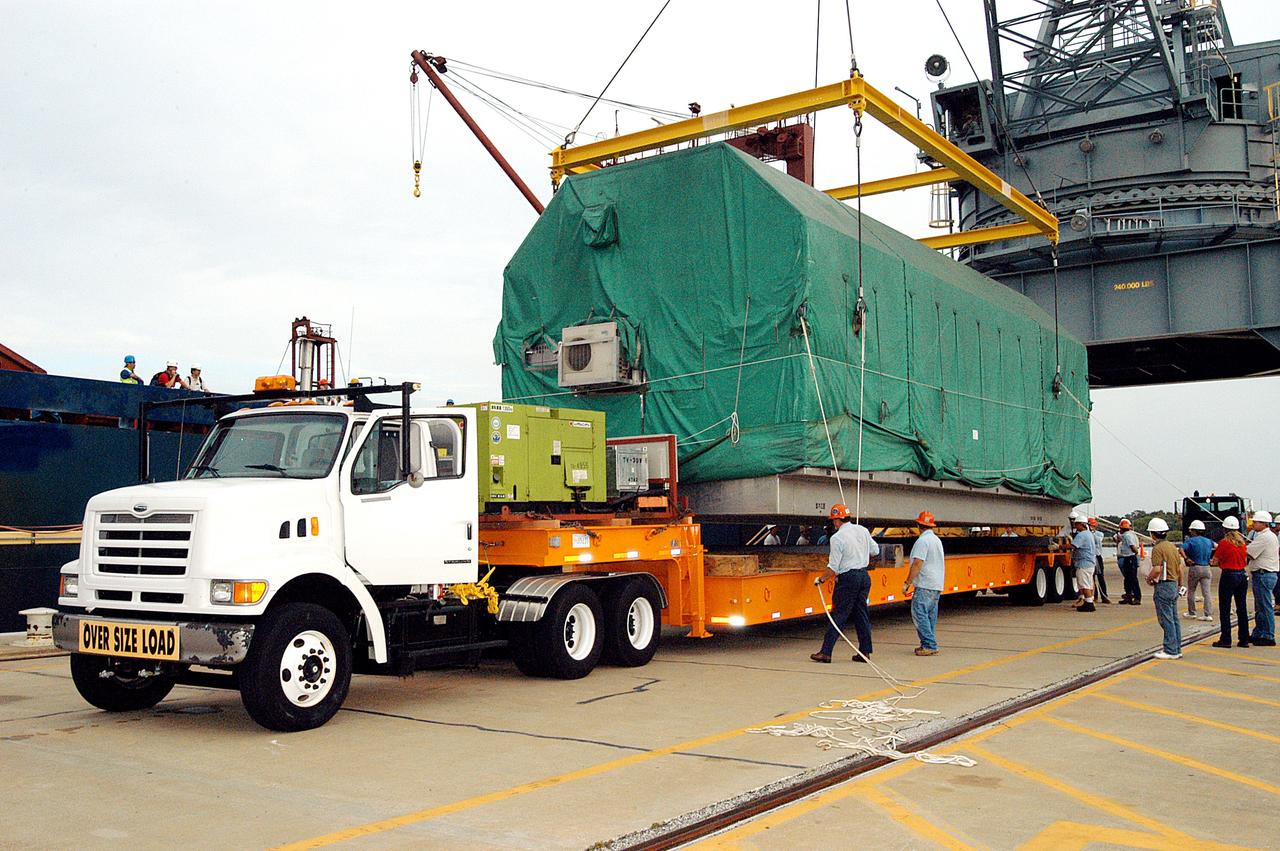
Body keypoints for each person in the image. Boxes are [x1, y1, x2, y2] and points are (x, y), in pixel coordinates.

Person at [811, 503, 879, 664]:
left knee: (839, 615)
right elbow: (875, 550)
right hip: (864, 576)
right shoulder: (862, 530)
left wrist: (821, 579)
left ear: (836, 520)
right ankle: (864, 652)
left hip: (848, 579)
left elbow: (833, 567)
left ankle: (826, 652)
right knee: (861, 614)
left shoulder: (837, 538)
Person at [905, 511, 945, 656]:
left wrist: (907, 582)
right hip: (936, 584)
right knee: (929, 616)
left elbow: (917, 563)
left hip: (925, 583)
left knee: (919, 613)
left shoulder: (922, 541)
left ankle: (929, 644)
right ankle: (927, 643)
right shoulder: (936, 540)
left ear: (918, 525)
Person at [1146, 517, 1185, 660]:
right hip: (1174, 584)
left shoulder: (1157, 548)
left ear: (1153, 534)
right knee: (1174, 619)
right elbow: (1180, 567)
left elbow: (1156, 569)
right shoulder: (1172, 547)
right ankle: (1177, 648)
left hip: (1164, 585)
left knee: (1166, 619)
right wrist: (1181, 584)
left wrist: (1149, 578)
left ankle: (1170, 650)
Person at [1211, 515, 1250, 648]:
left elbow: (1215, 561)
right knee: (1242, 607)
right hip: (1241, 574)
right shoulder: (1242, 544)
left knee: (1225, 607)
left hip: (1229, 574)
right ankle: (1244, 638)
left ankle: (1226, 638)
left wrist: (1217, 562)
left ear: (1225, 529)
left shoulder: (1224, 543)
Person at [1246, 510, 1279, 646]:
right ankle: (1259, 632)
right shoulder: (1267, 536)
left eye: (1255, 522)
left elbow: (1249, 553)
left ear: (1263, 524)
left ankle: (1268, 635)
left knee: (1265, 607)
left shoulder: (1264, 537)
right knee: (1260, 607)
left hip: (1264, 574)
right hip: (1264, 574)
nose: (1253, 524)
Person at [1181, 519, 1214, 622]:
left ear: (1193, 531)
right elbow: (1217, 546)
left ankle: (1192, 612)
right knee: (1207, 592)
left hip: (1195, 567)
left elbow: (1181, 549)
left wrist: (1186, 558)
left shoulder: (1191, 541)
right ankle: (1208, 614)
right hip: (1207, 567)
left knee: (1191, 590)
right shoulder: (1208, 541)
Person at [1069, 513, 1097, 612]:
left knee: (1084, 584)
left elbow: (1073, 546)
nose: (1075, 526)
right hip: (1090, 563)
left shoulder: (1081, 535)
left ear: (1081, 524)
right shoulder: (1089, 534)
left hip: (1083, 564)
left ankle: (1089, 604)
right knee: (1089, 584)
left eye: (1076, 524)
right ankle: (1089, 601)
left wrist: (1058, 547)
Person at [1114, 519, 1142, 605]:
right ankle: (1129, 595)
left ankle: (1137, 597)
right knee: (1128, 579)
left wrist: (1135, 552)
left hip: (1129, 557)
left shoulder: (1126, 536)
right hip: (1130, 557)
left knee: (1132, 578)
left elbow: (1132, 546)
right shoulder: (1132, 534)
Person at [1089, 517, 1111, 604]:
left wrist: (1091, 533)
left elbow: (1097, 540)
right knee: (1091, 577)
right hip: (1091, 556)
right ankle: (1094, 596)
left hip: (1097, 556)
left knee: (1100, 576)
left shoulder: (1099, 534)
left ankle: (1104, 595)